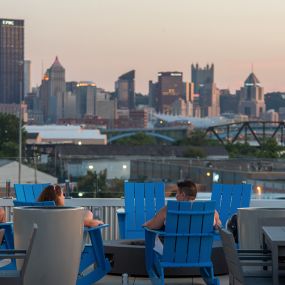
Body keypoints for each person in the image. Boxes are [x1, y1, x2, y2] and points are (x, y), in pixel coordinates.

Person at [143, 179, 221, 230]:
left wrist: (146, 225)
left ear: (183, 195)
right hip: (201, 250)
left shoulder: (169, 209)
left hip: (172, 250)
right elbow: (218, 225)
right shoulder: (211, 210)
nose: (176, 196)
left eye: (177, 193)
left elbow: (153, 226)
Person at [37, 184, 104, 227]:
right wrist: (93, 222)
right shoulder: (63, 216)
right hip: (64, 247)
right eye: (62, 195)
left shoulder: (37, 213)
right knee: (88, 214)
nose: (63, 197)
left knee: (88, 213)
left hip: (39, 247)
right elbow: (92, 223)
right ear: (57, 197)